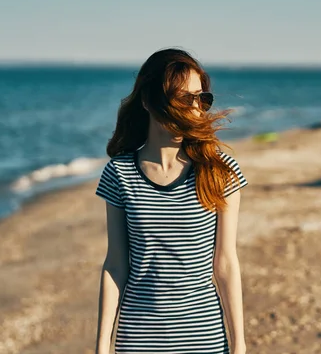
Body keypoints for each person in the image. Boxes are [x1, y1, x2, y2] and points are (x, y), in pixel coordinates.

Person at [94, 48, 248, 354]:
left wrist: (239, 344)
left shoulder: (219, 171)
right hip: (138, 340)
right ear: (149, 101)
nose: (194, 108)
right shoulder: (120, 173)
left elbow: (226, 263)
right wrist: (102, 346)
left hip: (204, 340)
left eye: (200, 99)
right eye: (183, 98)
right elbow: (115, 264)